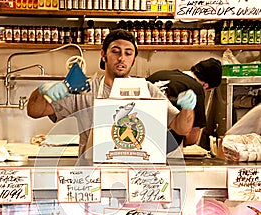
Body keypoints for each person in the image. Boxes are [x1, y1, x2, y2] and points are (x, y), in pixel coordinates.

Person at [27, 29, 196, 163]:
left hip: (136, 176)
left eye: (128, 53)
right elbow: (34, 111)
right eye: (115, 51)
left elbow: (181, 128)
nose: (122, 58)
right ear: (103, 54)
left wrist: (188, 109)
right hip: (93, 176)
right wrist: (42, 92)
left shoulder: (148, 90)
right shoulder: (84, 89)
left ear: (134, 59)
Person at [147, 58, 222, 146]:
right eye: (208, 91)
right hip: (165, 147)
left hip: (141, 139)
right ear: (205, 85)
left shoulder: (159, 74)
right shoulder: (196, 89)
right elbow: (191, 138)